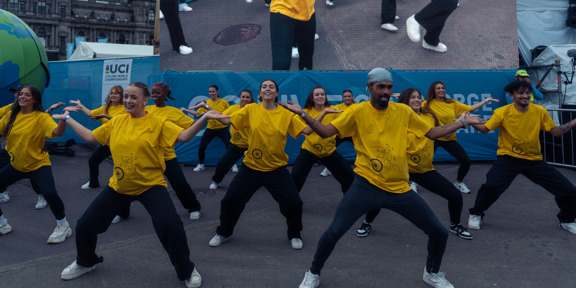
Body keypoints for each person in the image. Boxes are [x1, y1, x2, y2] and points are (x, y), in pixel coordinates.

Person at [281, 68, 483, 288]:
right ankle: (313, 273)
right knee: (334, 231)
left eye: (389, 87)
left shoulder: (402, 111)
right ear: (369, 88)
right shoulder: (357, 111)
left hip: (399, 189)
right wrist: (303, 114)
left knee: (439, 232)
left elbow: (433, 133)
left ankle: (432, 273)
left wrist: (463, 123)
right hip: (365, 185)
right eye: (380, 87)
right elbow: (326, 131)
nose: (385, 91)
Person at [55, 82, 229, 287]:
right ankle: (85, 262)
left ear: (145, 101)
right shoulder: (117, 121)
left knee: (170, 226)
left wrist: (205, 117)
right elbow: (90, 136)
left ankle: (187, 270)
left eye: (133, 97)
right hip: (119, 186)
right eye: (126, 96)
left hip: (150, 186)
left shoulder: (158, 122)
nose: (128, 100)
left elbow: (184, 136)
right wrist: (67, 119)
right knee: (85, 225)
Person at [355, 88, 473, 240]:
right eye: (412, 98)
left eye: (418, 97)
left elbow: (442, 134)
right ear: (405, 101)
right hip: (400, 170)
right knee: (380, 199)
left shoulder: (430, 116)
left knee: (455, 196)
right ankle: (367, 222)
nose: (417, 99)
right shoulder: (398, 118)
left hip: (423, 170)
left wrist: (461, 123)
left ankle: (455, 225)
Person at [207, 79, 309, 250]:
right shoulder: (250, 109)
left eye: (271, 87)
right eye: (264, 87)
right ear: (260, 93)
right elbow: (226, 121)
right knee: (229, 201)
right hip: (251, 168)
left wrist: (303, 114)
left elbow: (308, 130)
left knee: (294, 203)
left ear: (276, 93)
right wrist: (209, 113)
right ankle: (224, 232)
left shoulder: (286, 114)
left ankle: (295, 234)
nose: (267, 89)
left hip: (276, 170)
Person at [467, 80, 576, 235]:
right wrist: (469, 122)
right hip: (508, 158)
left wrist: (573, 122)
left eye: (527, 93)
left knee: (569, 191)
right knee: (491, 186)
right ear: (512, 96)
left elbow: (556, 132)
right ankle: (476, 213)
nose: (525, 96)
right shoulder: (502, 112)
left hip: (534, 160)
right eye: (521, 93)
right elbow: (485, 129)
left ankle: (567, 220)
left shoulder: (539, 111)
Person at [111, 82, 203, 223]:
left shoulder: (174, 112)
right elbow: (127, 120)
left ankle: (193, 207)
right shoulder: (145, 108)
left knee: (179, 184)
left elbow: (191, 127)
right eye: (152, 93)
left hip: (166, 157)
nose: (154, 96)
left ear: (166, 94)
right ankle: (123, 212)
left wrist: (174, 139)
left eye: (158, 93)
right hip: (145, 157)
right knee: (127, 183)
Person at [0, 85, 71, 244]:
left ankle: (63, 225)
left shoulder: (41, 117)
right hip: (17, 164)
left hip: (38, 164)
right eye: (21, 94)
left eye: (27, 95)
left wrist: (64, 120)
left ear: (35, 99)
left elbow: (57, 133)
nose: (22, 97)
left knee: (50, 193)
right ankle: (2, 224)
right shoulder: (12, 114)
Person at [422, 81, 498, 194]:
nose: (441, 90)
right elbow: (415, 110)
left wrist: (485, 101)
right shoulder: (427, 104)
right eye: (438, 88)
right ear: (433, 90)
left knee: (466, 161)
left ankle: (458, 183)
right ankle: (413, 182)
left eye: (442, 88)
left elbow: (470, 108)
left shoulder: (452, 103)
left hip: (449, 137)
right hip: (434, 137)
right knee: (423, 162)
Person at [291, 86, 354, 195]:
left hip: (328, 151)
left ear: (325, 97)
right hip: (310, 150)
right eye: (317, 94)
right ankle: (291, 203)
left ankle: (349, 200)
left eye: (322, 94)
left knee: (349, 175)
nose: (320, 96)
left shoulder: (333, 110)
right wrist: (323, 113)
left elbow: (348, 119)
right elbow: (306, 130)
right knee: (295, 177)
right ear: (312, 98)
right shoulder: (305, 112)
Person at [69, 85, 126, 190]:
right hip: (107, 143)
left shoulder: (125, 108)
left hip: (120, 142)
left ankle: (125, 185)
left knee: (122, 165)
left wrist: (104, 116)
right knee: (93, 160)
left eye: (116, 93)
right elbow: (90, 113)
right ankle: (93, 183)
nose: (113, 95)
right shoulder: (105, 108)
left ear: (121, 96)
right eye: (112, 93)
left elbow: (120, 122)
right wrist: (80, 105)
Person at [209, 89, 254, 190]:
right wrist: (209, 110)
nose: (245, 99)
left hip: (252, 144)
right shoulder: (233, 108)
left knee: (259, 166)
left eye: (247, 97)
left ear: (251, 99)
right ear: (240, 98)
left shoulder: (254, 109)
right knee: (222, 164)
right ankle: (216, 181)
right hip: (236, 144)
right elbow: (222, 117)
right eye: (243, 97)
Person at [191, 85, 231, 172]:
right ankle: (201, 165)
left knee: (229, 147)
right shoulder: (206, 103)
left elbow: (229, 113)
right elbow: (198, 114)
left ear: (217, 92)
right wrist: (186, 110)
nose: (211, 93)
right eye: (210, 92)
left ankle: (232, 164)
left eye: (213, 91)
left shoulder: (224, 102)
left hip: (222, 128)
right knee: (202, 147)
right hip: (210, 128)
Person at [270, 0, 316, 70]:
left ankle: (304, 80)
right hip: (282, 9)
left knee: (306, 62)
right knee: (282, 65)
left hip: (307, 11)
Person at [319, 89, 356, 177]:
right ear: (343, 98)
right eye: (345, 96)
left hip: (354, 134)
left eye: (349, 96)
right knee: (330, 150)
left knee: (364, 149)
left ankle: (368, 169)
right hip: (340, 134)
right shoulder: (337, 107)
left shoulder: (357, 107)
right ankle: (328, 168)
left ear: (352, 97)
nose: (347, 98)